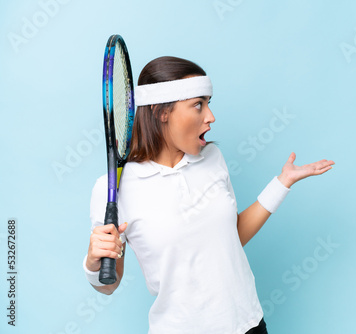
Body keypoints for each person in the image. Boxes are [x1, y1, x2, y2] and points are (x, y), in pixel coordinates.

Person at [83, 56, 334, 334]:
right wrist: (93, 262)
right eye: (198, 105)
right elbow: (108, 284)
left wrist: (282, 182)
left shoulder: (213, 158)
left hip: (249, 324)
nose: (210, 117)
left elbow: (229, 237)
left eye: (208, 103)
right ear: (161, 111)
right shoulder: (114, 189)